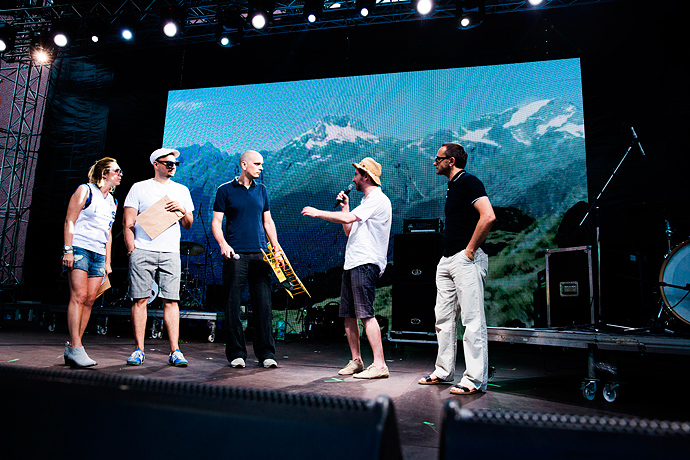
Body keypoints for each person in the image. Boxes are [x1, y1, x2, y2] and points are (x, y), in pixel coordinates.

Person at [302, 157, 392, 379]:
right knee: (348, 314)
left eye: (356, 174)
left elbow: (350, 218)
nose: (353, 179)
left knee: (365, 313)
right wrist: (345, 207)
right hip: (353, 262)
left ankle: (380, 364)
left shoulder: (378, 199)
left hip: (366, 263)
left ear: (366, 176)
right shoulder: (365, 202)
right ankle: (357, 360)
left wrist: (318, 212)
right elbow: (349, 230)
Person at [418, 142, 495, 395]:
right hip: (448, 259)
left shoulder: (469, 182)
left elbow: (488, 216)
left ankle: (474, 379)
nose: (434, 162)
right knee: (443, 319)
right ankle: (443, 371)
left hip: (466, 259)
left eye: (438, 158)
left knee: (472, 320)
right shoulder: (453, 186)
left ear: (451, 161)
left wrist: (469, 251)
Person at [122, 148, 194, 367]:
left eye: (175, 164)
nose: (173, 167)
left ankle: (175, 350)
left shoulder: (181, 190)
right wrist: (132, 249)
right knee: (140, 299)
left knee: (171, 300)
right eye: (168, 163)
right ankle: (139, 350)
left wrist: (182, 209)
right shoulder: (139, 188)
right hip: (143, 249)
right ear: (156, 164)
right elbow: (128, 222)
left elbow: (188, 224)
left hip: (170, 251)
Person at [211, 150, 282, 369]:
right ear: (244, 165)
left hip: (261, 255)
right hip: (236, 255)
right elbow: (216, 222)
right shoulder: (225, 190)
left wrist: (276, 247)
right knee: (233, 305)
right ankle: (236, 353)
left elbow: (268, 221)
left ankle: (266, 353)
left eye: (262, 164)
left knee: (263, 305)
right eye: (257, 164)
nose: (261, 168)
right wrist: (223, 244)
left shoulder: (262, 190)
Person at [61, 157, 122, 367]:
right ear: (104, 173)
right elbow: (70, 220)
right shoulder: (85, 190)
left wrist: (108, 261)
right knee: (78, 296)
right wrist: (68, 250)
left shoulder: (113, 201)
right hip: (80, 248)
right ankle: (77, 347)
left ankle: (74, 346)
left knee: (89, 299)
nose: (120, 174)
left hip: (99, 252)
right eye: (116, 170)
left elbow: (109, 233)